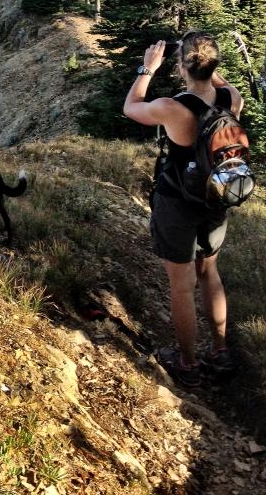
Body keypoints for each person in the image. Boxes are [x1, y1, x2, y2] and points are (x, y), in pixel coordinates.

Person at [123, 31, 243, 388]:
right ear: (214, 64)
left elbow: (131, 107)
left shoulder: (172, 108)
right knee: (210, 273)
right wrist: (210, 68)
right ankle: (220, 351)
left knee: (181, 284)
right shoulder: (231, 99)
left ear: (180, 67)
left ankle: (187, 362)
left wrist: (147, 69)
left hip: (178, 202)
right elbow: (219, 84)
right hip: (217, 198)